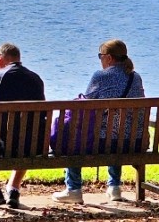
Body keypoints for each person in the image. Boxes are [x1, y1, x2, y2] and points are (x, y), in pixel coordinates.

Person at [53, 39, 145, 204]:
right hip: (134, 142)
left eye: (100, 56)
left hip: (104, 143)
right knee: (116, 131)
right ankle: (114, 187)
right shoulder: (135, 77)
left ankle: (73, 189)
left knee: (74, 136)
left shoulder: (101, 76)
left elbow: (86, 104)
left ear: (109, 58)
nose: (100, 59)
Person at [0, 42, 46, 209]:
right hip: (30, 146)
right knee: (26, 133)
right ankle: (13, 188)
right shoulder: (35, 79)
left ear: (0, 59)